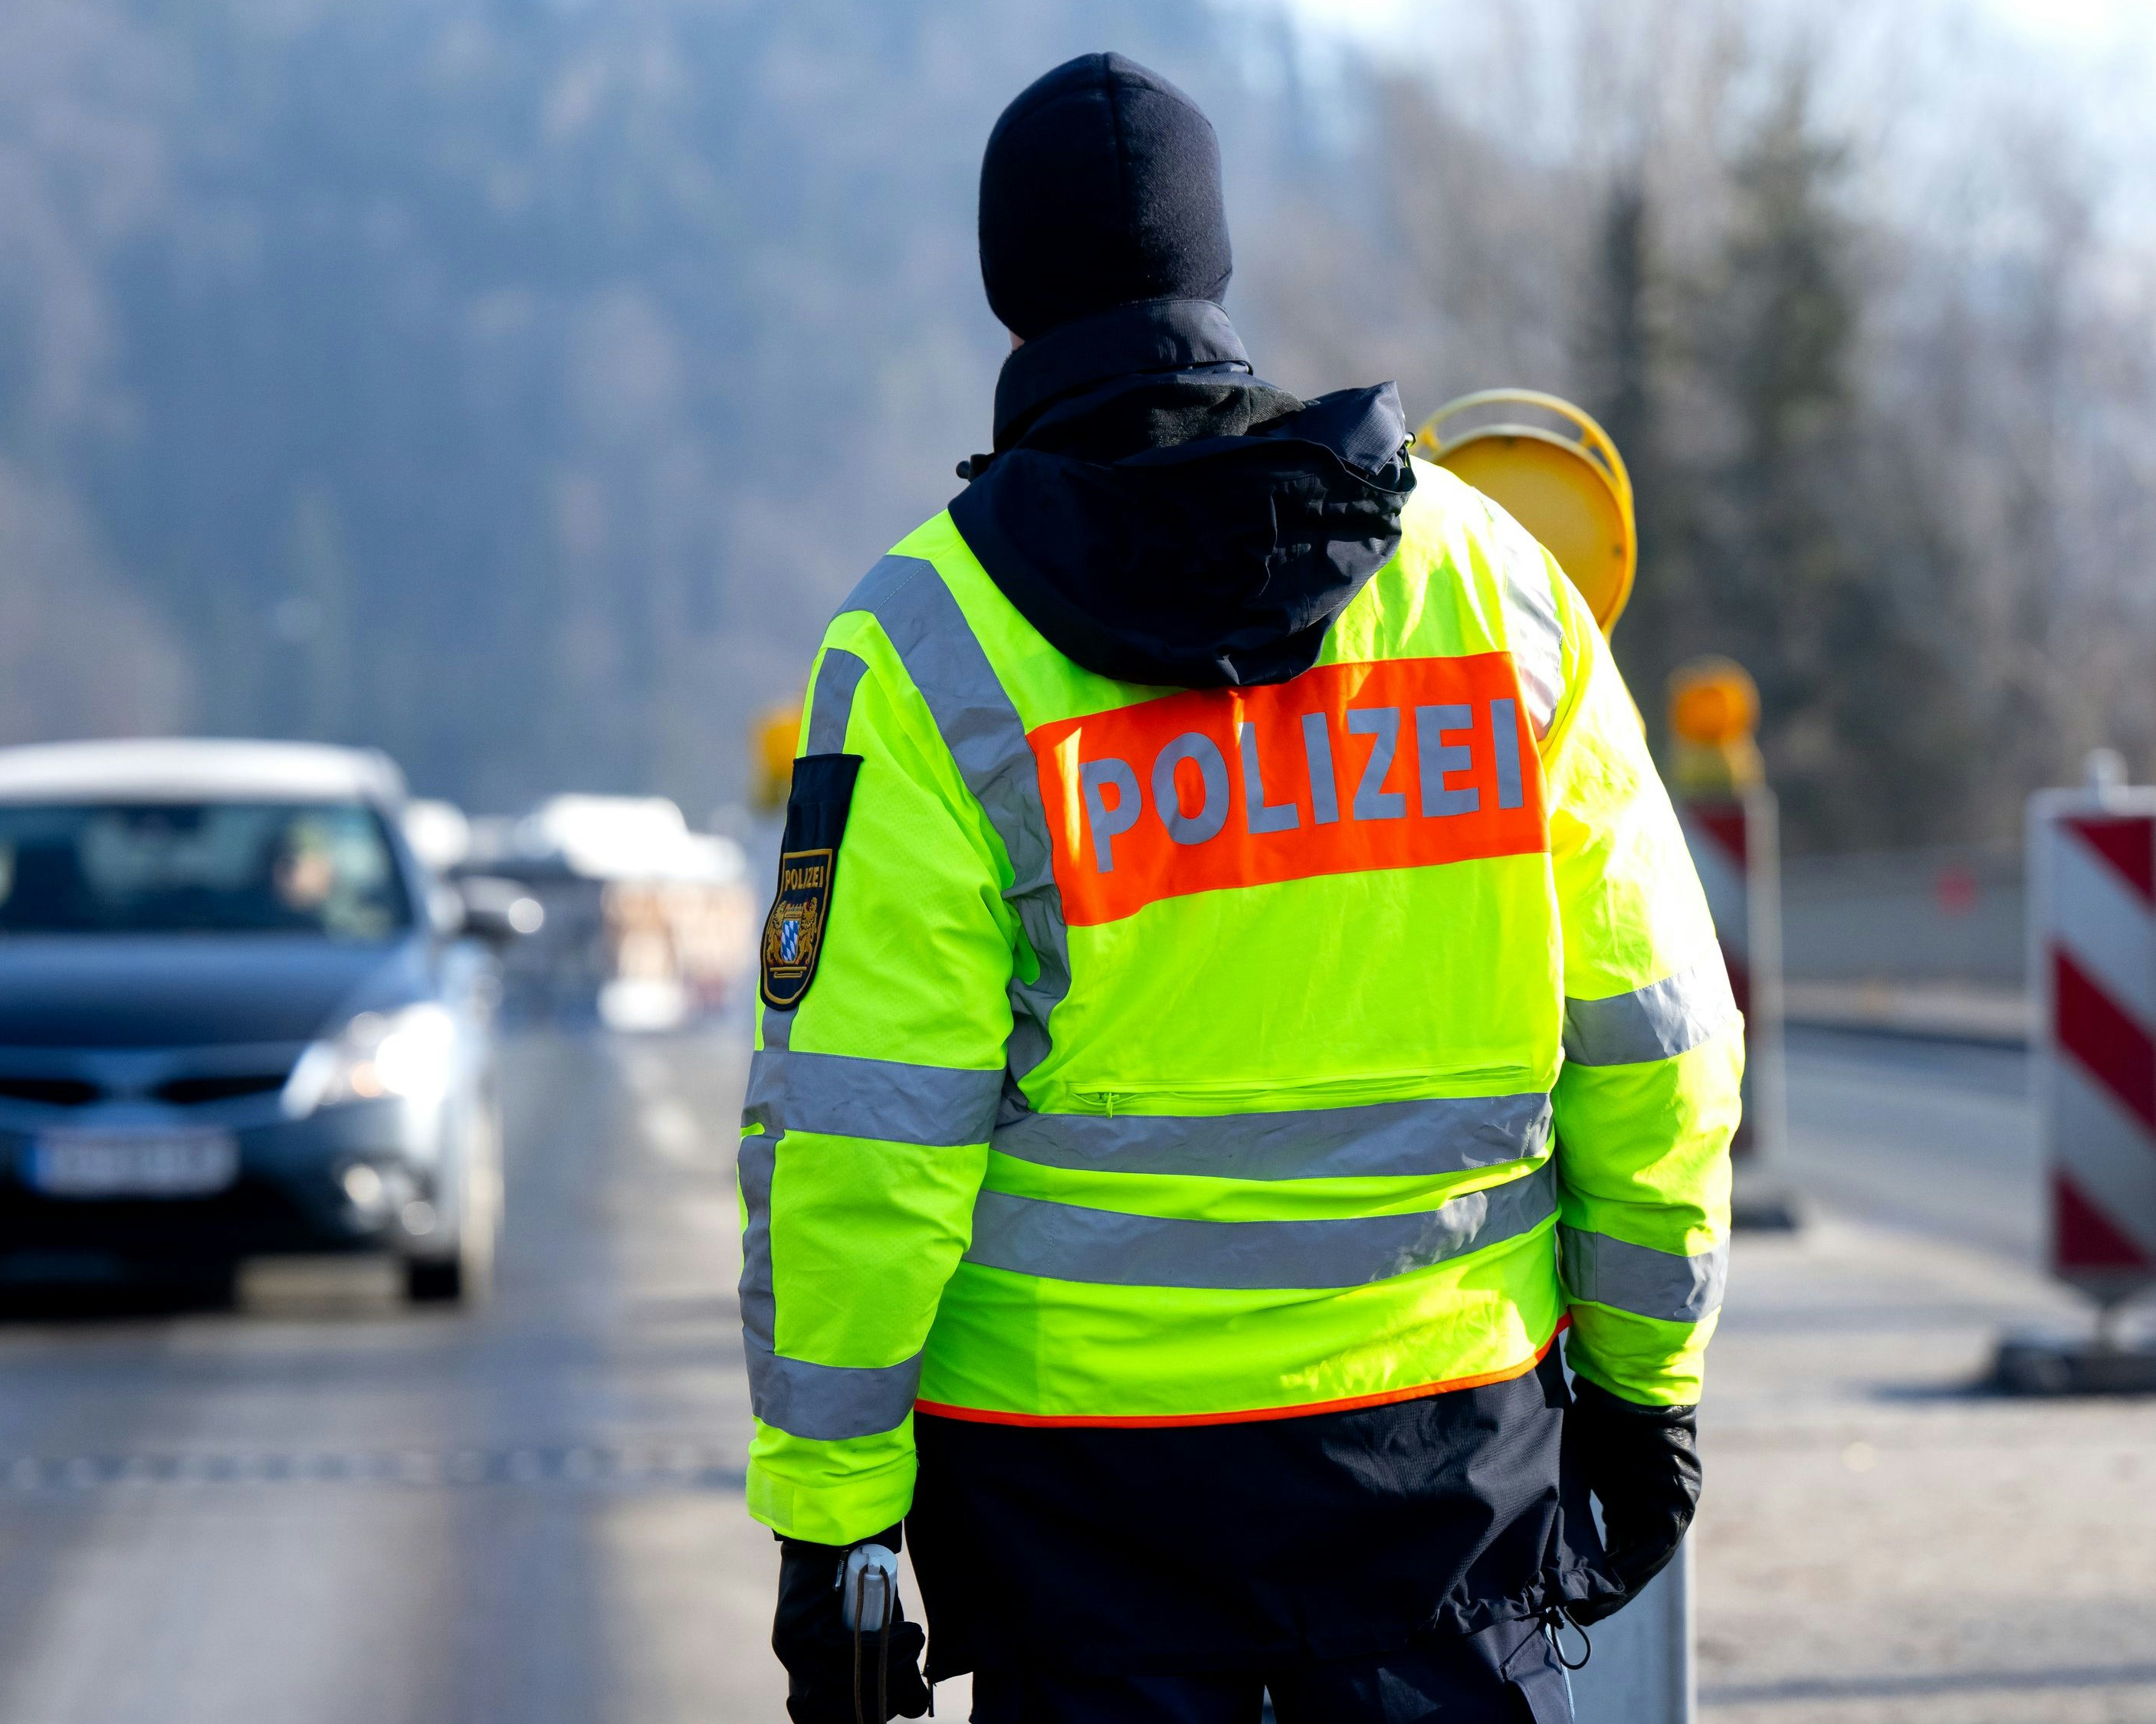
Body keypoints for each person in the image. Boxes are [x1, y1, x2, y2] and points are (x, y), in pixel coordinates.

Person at [742, 51, 1737, 1724]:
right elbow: (1660, 1038)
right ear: (1213, 268)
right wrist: (1643, 1395)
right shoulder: (1494, 598)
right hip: (1443, 1493)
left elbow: (862, 1133)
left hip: (1081, 1530)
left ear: (1008, 286)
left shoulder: (924, 650)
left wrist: (830, 1528)